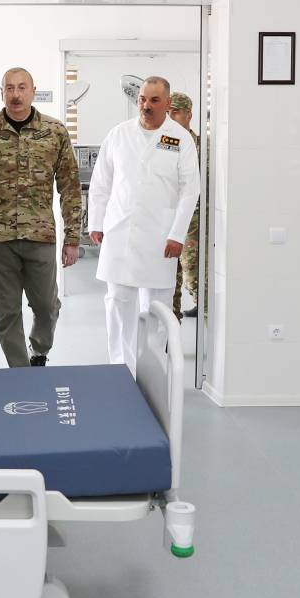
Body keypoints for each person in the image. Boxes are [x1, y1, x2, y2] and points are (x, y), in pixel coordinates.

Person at [0, 67, 81, 368]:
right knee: (7, 313)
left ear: (33, 91)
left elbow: (70, 186)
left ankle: (39, 351)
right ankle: (22, 373)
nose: (16, 94)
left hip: (40, 235)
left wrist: (73, 237)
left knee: (47, 306)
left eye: (22, 87)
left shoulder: (54, 131)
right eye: (9, 88)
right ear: (1, 92)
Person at [88, 76, 199, 375]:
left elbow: (190, 190)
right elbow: (101, 182)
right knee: (117, 303)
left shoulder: (180, 139)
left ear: (167, 102)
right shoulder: (119, 134)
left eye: (154, 100)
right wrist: (96, 222)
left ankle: (152, 375)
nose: (146, 106)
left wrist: (177, 234)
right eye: (142, 99)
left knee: (156, 309)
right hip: (120, 233)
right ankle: (120, 372)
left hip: (160, 237)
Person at [168, 92, 202, 319]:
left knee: (190, 271)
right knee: (169, 277)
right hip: (167, 217)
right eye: (168, 113)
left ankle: (202, 305)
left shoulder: (200, 145)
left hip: (194, 221)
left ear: (188, 115)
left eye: (175, 113)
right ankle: (171, 322)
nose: (170, 118)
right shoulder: (165, 143)